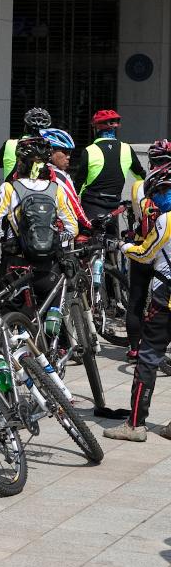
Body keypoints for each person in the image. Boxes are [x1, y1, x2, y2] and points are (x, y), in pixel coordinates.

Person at [105, 165, 171, 441]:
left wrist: (122, 246)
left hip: (164, 297)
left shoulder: (166, 220)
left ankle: (135, 425)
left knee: (148, 357)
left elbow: (145, 253)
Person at [0, 134, 79, 304]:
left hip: (17, 264)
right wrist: (53, 239)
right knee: (49, 320)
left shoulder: (8, 188)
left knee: (8, 317)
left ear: (21, 162)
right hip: (49, 267)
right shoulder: (56, 189)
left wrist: (6, 239)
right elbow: (72, 229)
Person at [126, 141, 171, 361]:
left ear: (151, 161)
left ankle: (135, 348)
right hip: (166, 248)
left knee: (136, 296)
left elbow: (137, 214)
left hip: (143, 246)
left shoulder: (139, 186)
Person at [76, 109, 145, 223]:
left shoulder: (89, 151)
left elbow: (78, 184)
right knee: (112, 239)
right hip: (114, 207)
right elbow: (141, 176)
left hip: (90, 206)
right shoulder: (127, 149)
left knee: (85, 239)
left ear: (96, 129)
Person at [0, 107, 52, 179]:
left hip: (10, 188)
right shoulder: (48, 148)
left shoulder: (9, 144)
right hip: (41, 189)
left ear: (25, 127)